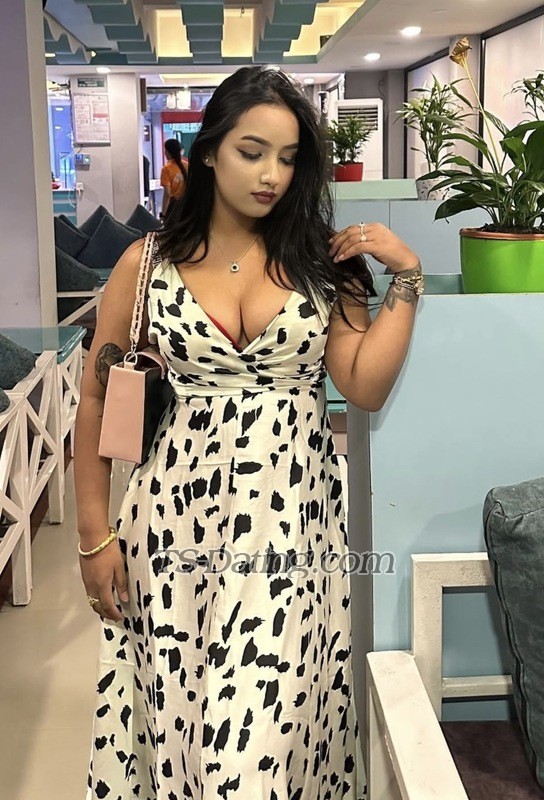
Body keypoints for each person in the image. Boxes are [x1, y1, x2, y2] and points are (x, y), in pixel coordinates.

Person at [74, 66, 423, 800]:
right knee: (183, 723)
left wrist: (408, 278)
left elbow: (363, 385)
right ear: (208, 152)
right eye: (252, 151)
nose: (271, 175)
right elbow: (99, 400)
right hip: (171, 530)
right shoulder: (146, 265)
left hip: (291, 529)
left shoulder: (323, 261)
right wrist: (94, 536)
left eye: (288, 158)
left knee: (259, 746)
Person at [160, 138, 188, 222]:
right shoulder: (187, 165)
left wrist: (163, 214)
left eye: (165, 150)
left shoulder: (166, 169)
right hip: (187, 206)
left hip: (173, 209)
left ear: (168, 152)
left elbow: (167, 194)